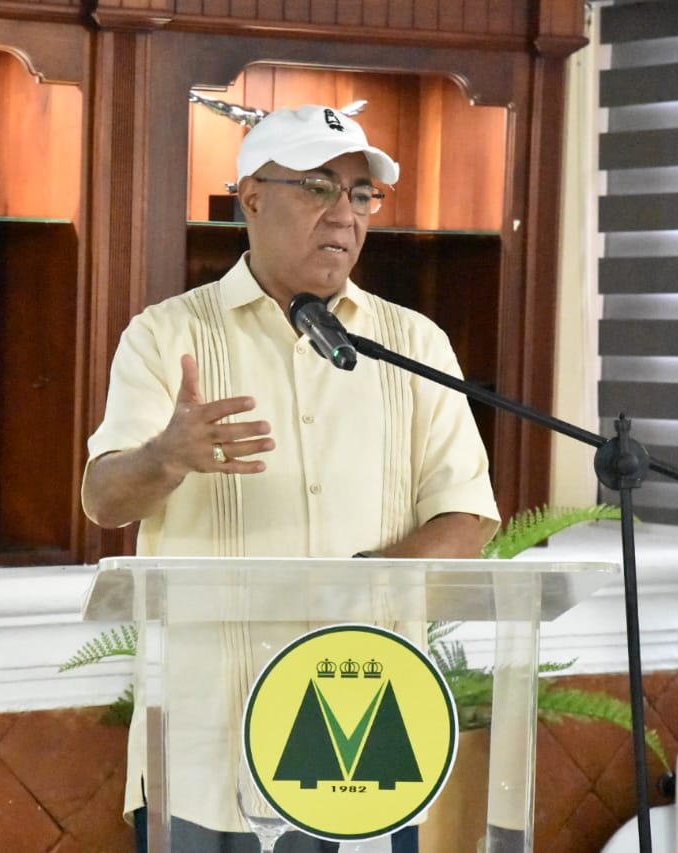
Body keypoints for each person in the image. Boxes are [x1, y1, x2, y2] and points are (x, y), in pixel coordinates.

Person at [82, 104, 501, 852]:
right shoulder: (166, 336)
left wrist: (359, 584)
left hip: (368, 740)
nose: (344, 214)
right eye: (317, 187)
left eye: (361, 194)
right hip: (207, 753)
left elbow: (462, 521)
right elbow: (104, 499)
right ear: (251, 197)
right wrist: (166, 455)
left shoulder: (413, 343)